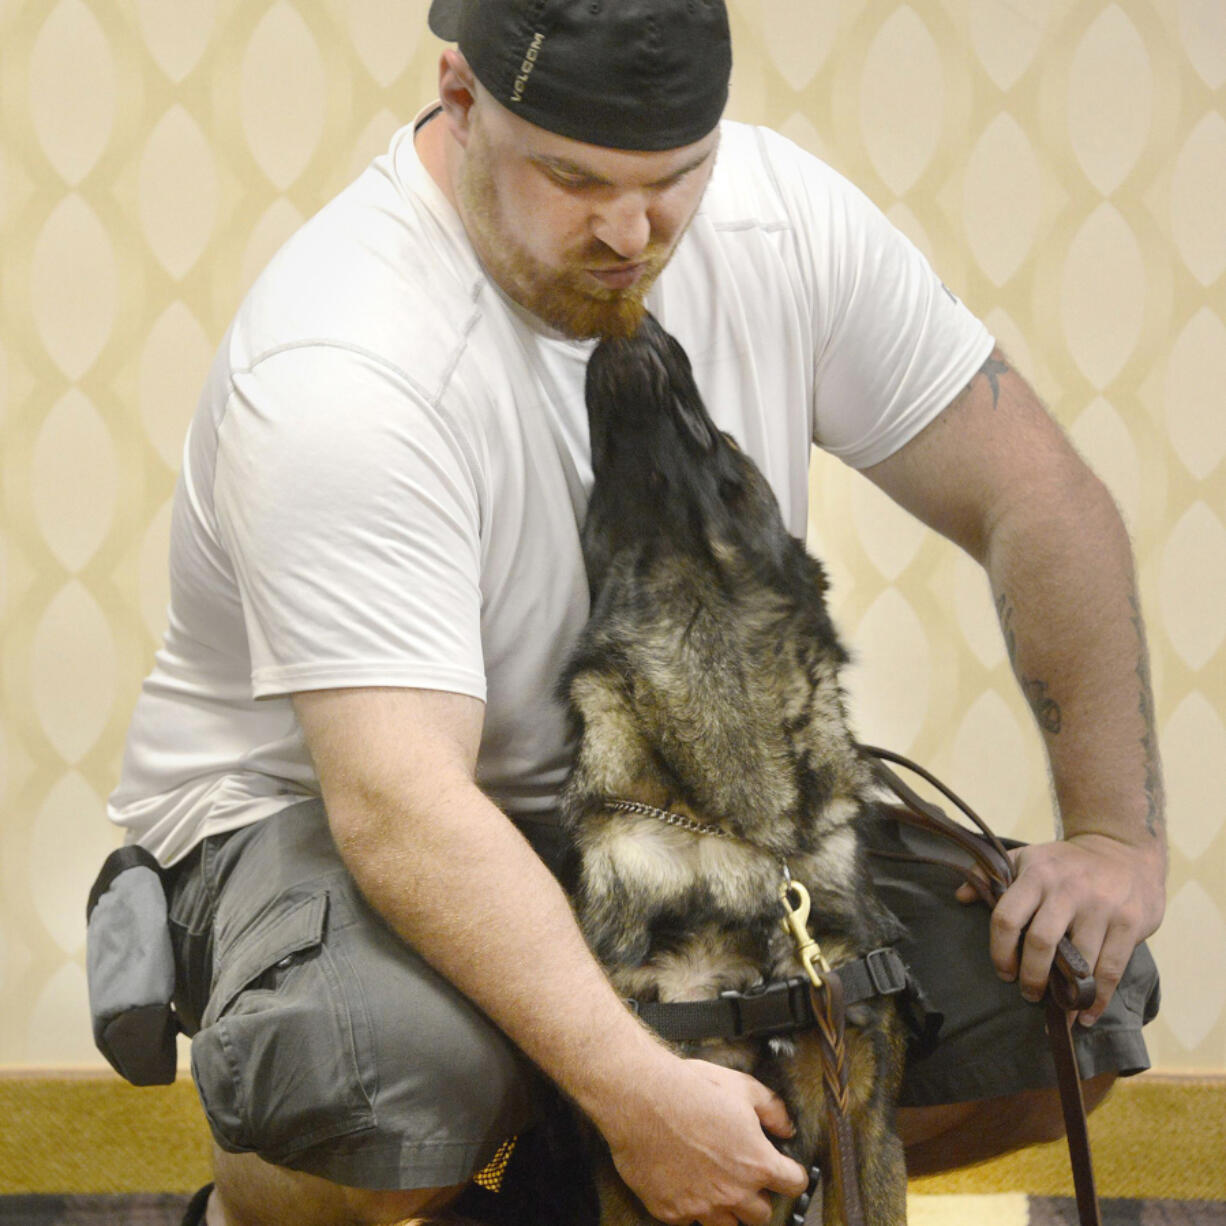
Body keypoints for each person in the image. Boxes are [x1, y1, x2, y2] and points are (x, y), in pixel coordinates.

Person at [105, 1, 1164, 1223]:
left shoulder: (781, 219)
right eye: (572, 176)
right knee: (380, 1078)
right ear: (458, 98)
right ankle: (260, 1208)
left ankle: (557, 1183)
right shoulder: (343, 365)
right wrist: (636, 1086)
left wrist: (1110, 835)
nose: (630, 230)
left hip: (661, 809)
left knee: (1075, 996)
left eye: (674, 178)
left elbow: (1038, 497)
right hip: (347, 822)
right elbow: (402, 811)